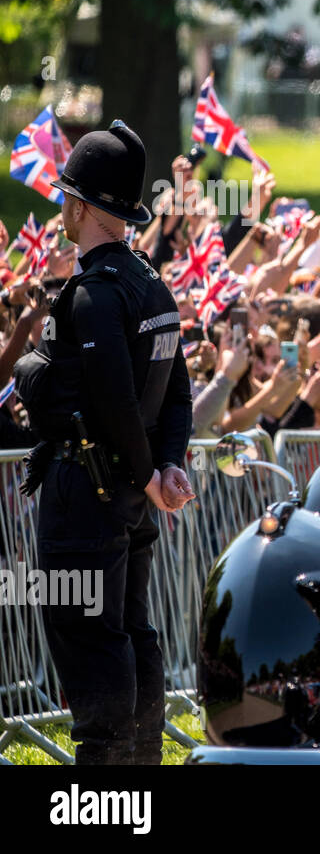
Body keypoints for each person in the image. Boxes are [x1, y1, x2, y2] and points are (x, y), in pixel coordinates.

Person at [12, 120, 196, 765]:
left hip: (89, 494)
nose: (61, 207)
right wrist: (164, 467)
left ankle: (105, 792)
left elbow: (117, 398)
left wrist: (152, 473)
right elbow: (177, 395)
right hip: (127, 494)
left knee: (91, 639)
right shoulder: (152, 284)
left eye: (67, 196)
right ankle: (141, 768)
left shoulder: (94, 293)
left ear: (83, 206)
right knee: (130, 631)